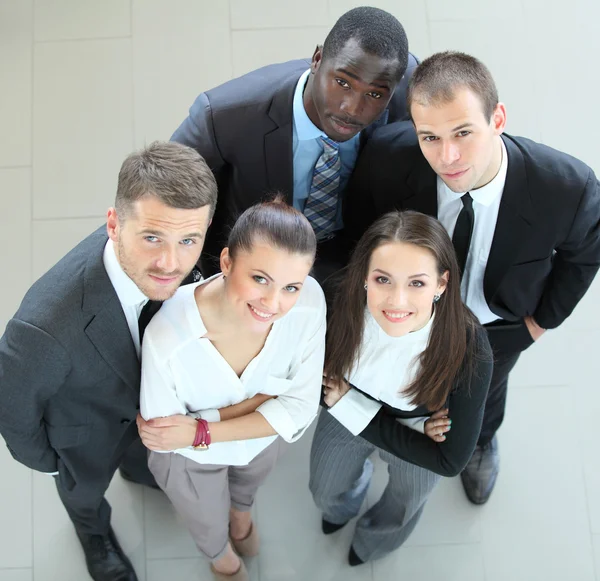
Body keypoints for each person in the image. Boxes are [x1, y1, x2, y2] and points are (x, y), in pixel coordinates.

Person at [343, 51, 600, 505]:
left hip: (497, 324)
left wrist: (538, 325)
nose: (448, 156)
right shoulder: (386, 158)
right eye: (430, 137)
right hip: (404, 311)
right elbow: (360, 235)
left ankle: (480, 440)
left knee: (487, 394)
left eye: (463, 132)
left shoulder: (567, 186)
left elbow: (583, 257)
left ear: (497, 118)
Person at [0, 142, 217, 581]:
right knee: (84, 493)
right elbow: (15, 418)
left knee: (141, 457)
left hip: (147, 413)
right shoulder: (42, 330)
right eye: (152, 237)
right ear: (114, 224)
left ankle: (139, 471)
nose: (171, 263)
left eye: (189, 240)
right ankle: (92, 532)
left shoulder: (181, 267)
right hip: (83, 439)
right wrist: (58, 460)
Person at [138, 198, 326, 581]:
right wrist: (263, 404)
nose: (273, 303)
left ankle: (240, 520)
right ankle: (220, 556)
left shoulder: (309, 304)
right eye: (260, 279)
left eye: (291, 286)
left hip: (258, 443)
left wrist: (200, 427)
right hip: (192, 461)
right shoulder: (167, 338)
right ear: (226, 262)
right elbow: (166, 438)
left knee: (248, 486)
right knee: (204, 515)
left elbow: (302, 408)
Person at [171, 6, 417, 281]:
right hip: (252, 270)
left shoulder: (407, 93)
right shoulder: (224, 116)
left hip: (355, 267)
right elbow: (163, 197)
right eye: (342, 82)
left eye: (373, 94)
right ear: (317, 59)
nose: (352, 108)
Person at [309, 210, 493, 565]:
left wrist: (351, 407)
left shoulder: (470, 349)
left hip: (411, 426)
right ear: (364, 276)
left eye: (417, 283)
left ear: (442, 284)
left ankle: (375, 541)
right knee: (324, 488)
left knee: (405, 502)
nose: (396, 301)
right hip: (363, 413)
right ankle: (344, 503)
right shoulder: (336, 300)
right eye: (383, 280)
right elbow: (304, 375)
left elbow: (450, 460)